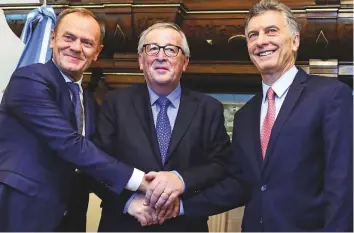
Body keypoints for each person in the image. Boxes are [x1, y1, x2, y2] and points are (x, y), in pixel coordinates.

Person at [182, 0, 353, 231]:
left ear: (295, 40)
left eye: (271, 31)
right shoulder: (245, 116)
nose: (261, 41)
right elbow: (240, 185)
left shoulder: (330, 96)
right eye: (253, 35)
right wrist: (180, 207)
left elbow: (343, 184)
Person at [0, 8, 152, 231]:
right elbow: (70, 144)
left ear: (97, 52)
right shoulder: (29, 79)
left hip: (70, 217)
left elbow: (90, 164)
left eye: (87, 42)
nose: (76, 48)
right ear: (53, 39)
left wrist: (127, 202)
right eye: (68, 37)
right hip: (21, 212)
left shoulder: (90, 102)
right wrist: (142, 182)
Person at [94, 22, 231, 231]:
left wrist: (181, 179)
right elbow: (96, 166)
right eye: (153, 48)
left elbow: (221, 165)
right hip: (125, 224)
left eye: (170, 49)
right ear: (141, 60)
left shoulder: (209, 109)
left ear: (185, 62)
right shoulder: (115, 103)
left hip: (184, 226)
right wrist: (128, 202)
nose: (160, 56)